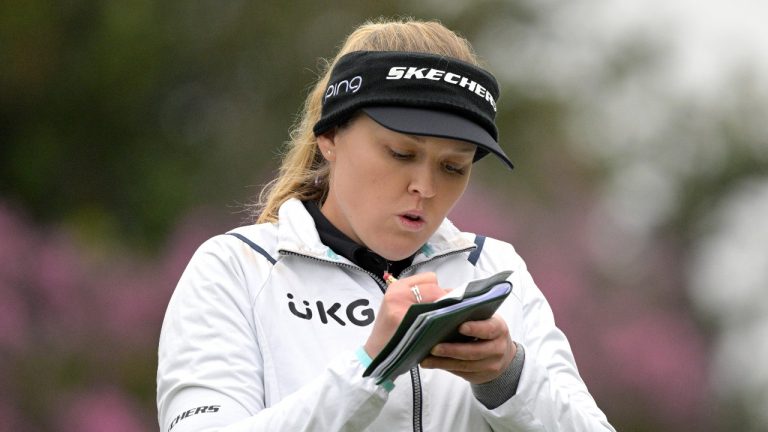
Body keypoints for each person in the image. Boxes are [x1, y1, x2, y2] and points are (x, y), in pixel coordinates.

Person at [156, 17, 615, 432]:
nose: (426, 187)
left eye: (453, 167)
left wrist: (508, 379)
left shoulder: (496, 266)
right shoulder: (235, 269)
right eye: (401, 154)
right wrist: (371, 368)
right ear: (330, 137)